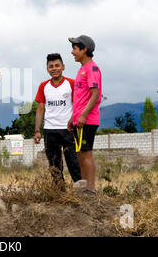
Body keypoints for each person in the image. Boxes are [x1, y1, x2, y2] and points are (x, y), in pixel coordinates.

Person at [34, 53, 82, 189]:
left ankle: (81, 190)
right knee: (54, 164)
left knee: (73, 161)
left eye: (57, 65)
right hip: (50, 130)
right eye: (51, 66)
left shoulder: (71, 83)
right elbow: (40, 108)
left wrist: (74, 120)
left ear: (63, 67)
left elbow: (78, 104)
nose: (54, 68)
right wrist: (37, 130)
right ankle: (59, 191)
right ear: (47, 69)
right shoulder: (43, 86)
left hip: (68, 129)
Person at [67, 35, 102, 195]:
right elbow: (81, 98)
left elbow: (95, 95)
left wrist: (83, 116)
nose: (72, 52)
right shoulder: (82, 69)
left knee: (86, 154)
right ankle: (84, 188)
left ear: (84, 49)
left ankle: (91, 189)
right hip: (79, 120)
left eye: (75, 48)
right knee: (80, 154)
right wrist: (73, 118)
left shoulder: (92, 69)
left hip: (87, 120)